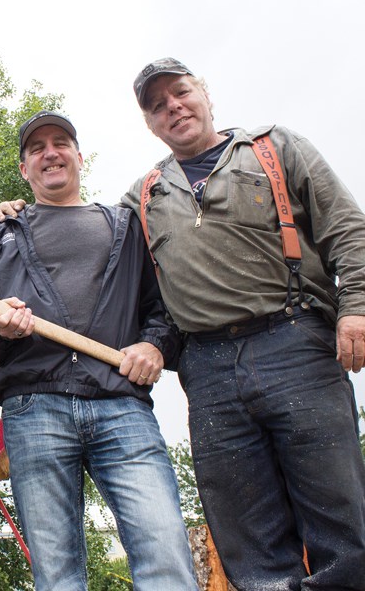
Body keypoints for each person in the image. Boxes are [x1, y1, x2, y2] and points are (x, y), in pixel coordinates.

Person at [120, 58, 365, 591]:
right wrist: (18, 212)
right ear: (150, 124)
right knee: (247, 539)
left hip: (296, 343)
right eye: (157, 106)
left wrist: (358, 307)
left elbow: (349, 228)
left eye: (180, 93)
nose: (173, 108)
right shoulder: (144, 195)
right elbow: (90, 238)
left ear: (204, 93)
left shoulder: (276, 148)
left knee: (339, 521)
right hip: (207, 374)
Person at [0, 110, 197, 591]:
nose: (50, 152)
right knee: (57, 573)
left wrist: (154, 346)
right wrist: (0, 331)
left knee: (165, 553)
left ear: (78, 157)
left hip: (122, 406)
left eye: (60, 143)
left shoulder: (126, 226)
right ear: (24, 169)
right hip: (34, 408)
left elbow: (163, 309)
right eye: (36, 148)